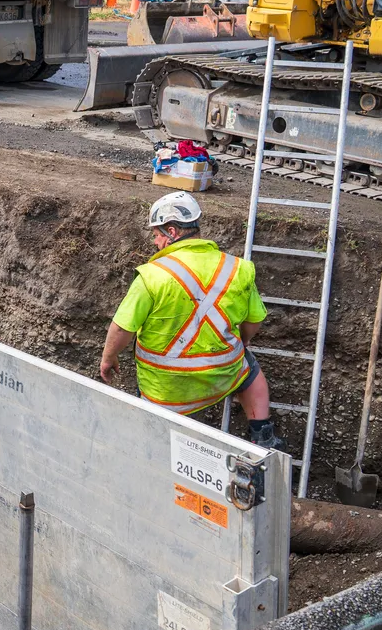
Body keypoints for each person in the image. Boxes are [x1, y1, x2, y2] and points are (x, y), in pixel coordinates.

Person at [99, 191, 283, 450]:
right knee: (251, 374)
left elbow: (122, 328)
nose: (155, 242)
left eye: (157, 235)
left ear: (172, 231)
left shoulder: (153, 276)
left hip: (167, 392)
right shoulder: (237, 268)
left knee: (155, 434)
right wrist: (241, 343)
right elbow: (254, 322)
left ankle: (154, 451)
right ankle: (262, 438)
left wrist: (108, 358)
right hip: (222, 376)